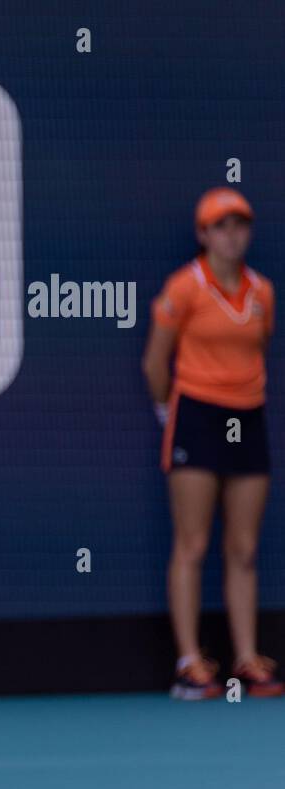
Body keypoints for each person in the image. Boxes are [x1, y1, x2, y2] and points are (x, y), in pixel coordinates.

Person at [142, 186, 281, 699]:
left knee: (244, 548)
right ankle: (190, 663)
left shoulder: (262, 291)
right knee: (193, 542)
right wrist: (168, 412)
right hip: (196, 415)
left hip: (249, 416)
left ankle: (246, 660)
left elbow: (259, 350)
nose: (232, 234)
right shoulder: (184, 288)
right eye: (221, 226)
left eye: (239, 224)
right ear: (203, 235)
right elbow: (156, 362)